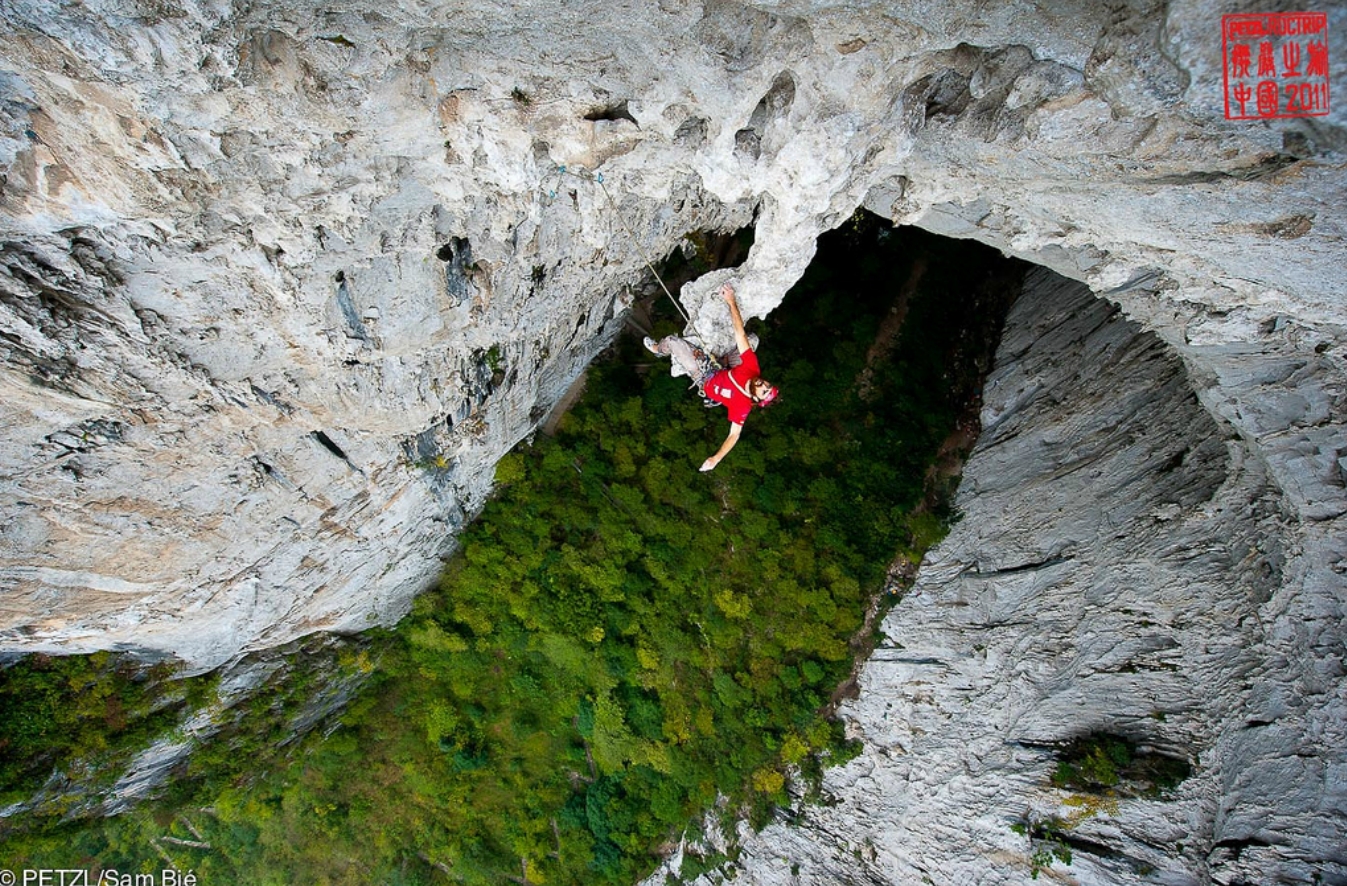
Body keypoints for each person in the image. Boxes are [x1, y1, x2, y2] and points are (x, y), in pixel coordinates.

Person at [644, 283, 778, 472]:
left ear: (757, 399)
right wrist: (731, 301)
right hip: (726, 369)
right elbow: (740, 335)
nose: (763, 384)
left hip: (705, 377)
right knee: (752, 339)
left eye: (764, 391)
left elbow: (734, 435)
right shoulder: (752, 369)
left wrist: (716, 459)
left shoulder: (742, 406)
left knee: (673, 342)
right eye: (767, 385)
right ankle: (724, 361)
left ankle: (659, 350)